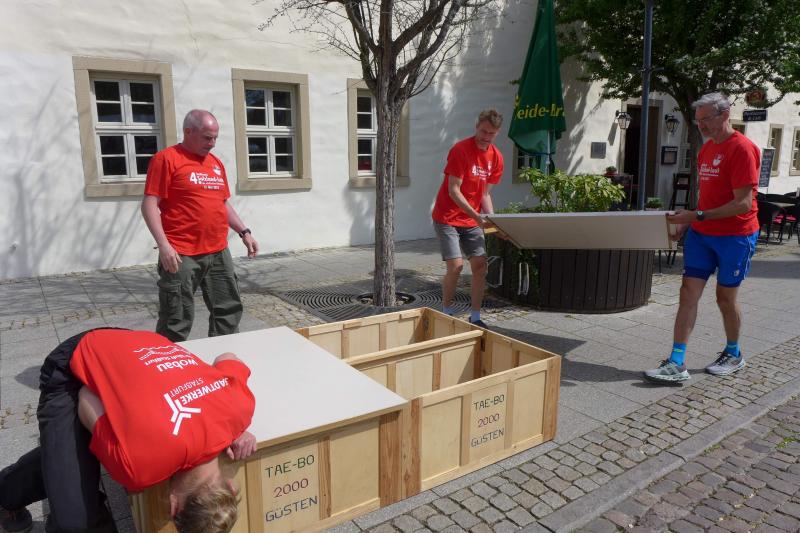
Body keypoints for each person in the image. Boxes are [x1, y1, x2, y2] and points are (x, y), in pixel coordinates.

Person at [0, 328, 256, 533]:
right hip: (76, 362)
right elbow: (86, 397)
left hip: (136, 341)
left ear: (230, 487)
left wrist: (232, 427)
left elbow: (228, 357)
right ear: (174, 507)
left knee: (67, 459)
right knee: (77, 522)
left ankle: (6, 492)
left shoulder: (239, 410)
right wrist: (126, 459)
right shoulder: (140, 467)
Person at [644, 92, 760, 383]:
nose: (701, 126)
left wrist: (696, 216)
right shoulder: (706, 149)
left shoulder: (742, 149)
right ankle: (676, 362)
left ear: (725, 115)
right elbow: (706, 194)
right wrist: (690, 219)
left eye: (706, 119)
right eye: (698, 121)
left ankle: (734, 353)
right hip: (702, 235)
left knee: (725, 298)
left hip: (735, 236)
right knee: (688, 293)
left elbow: (743, 204)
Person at [141, 109, 259, 342]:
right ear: (188, 131)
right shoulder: (167, 159)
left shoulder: (215, 163)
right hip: (182, 253)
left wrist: (244, 231)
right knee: (176, 318)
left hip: (218, 251)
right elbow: (149, 204)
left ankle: (224, 356)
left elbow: (221, 203)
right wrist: (164, 246)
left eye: (215, 138)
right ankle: (170, 361)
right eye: (207, 138)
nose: (212, 144)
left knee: (228, 310)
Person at [431, 109, 505, 329]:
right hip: (447, 216)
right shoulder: (460, 150)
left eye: (491, 133)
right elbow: (454, 190)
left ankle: (475, 315)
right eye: (483, 131)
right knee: (456, 266)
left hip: (471, 219)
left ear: (497, 133)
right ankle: (446, 311)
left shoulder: (497, 158)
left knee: (480, 266)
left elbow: (485, 195)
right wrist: (478, 216)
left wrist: (493, 222)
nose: (486, 137)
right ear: (476, 126)